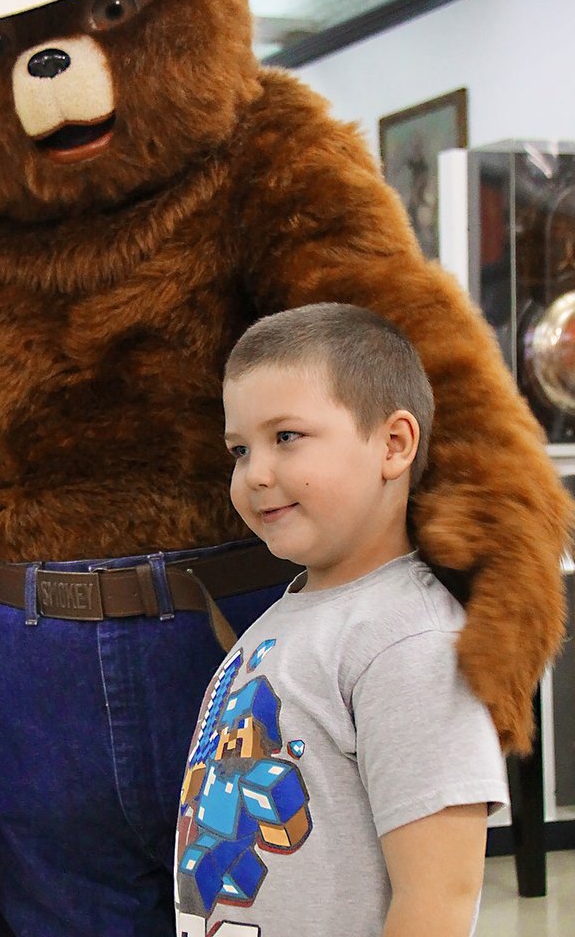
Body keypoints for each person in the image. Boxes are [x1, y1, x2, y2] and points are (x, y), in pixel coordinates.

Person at [175, 303, 509, 937]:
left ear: (393, 444)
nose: (257, 474)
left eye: (287, 437)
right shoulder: (285, 617)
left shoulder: (408, 642)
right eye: (240, 450)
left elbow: (438, 896)